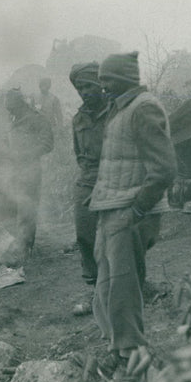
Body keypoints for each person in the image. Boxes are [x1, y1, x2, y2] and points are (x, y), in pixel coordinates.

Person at [89, 51, 176, 382]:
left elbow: (165, 169)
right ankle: (120, 352)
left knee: (123, 288)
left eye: (107, 80)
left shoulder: (144, 108)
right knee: (105, 288)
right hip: (111, 208)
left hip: (130, 212)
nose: (102, 87)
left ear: (125, 78)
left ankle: (133, 363)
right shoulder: (120, 108)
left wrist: (138, 209)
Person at [69, 62, 109, 285]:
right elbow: (78, 152)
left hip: (114, 174)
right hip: (88, 176)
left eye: (89, 87)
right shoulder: (78, 119)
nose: (84, 93)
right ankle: (94, 278)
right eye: (80, 88)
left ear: (100, 86)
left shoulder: (116, 111)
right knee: (84, 231)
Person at [4, 86, 54, 258]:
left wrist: (26, 155)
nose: (7, 109)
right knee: (18, 206)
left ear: (19, 103)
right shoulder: (14, 118)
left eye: (10, 105)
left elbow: (48, 143)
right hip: (15, 169)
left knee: (27, 207)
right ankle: (21, 243)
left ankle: (25, 247)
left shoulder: (35, 119)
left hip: (30, 169)